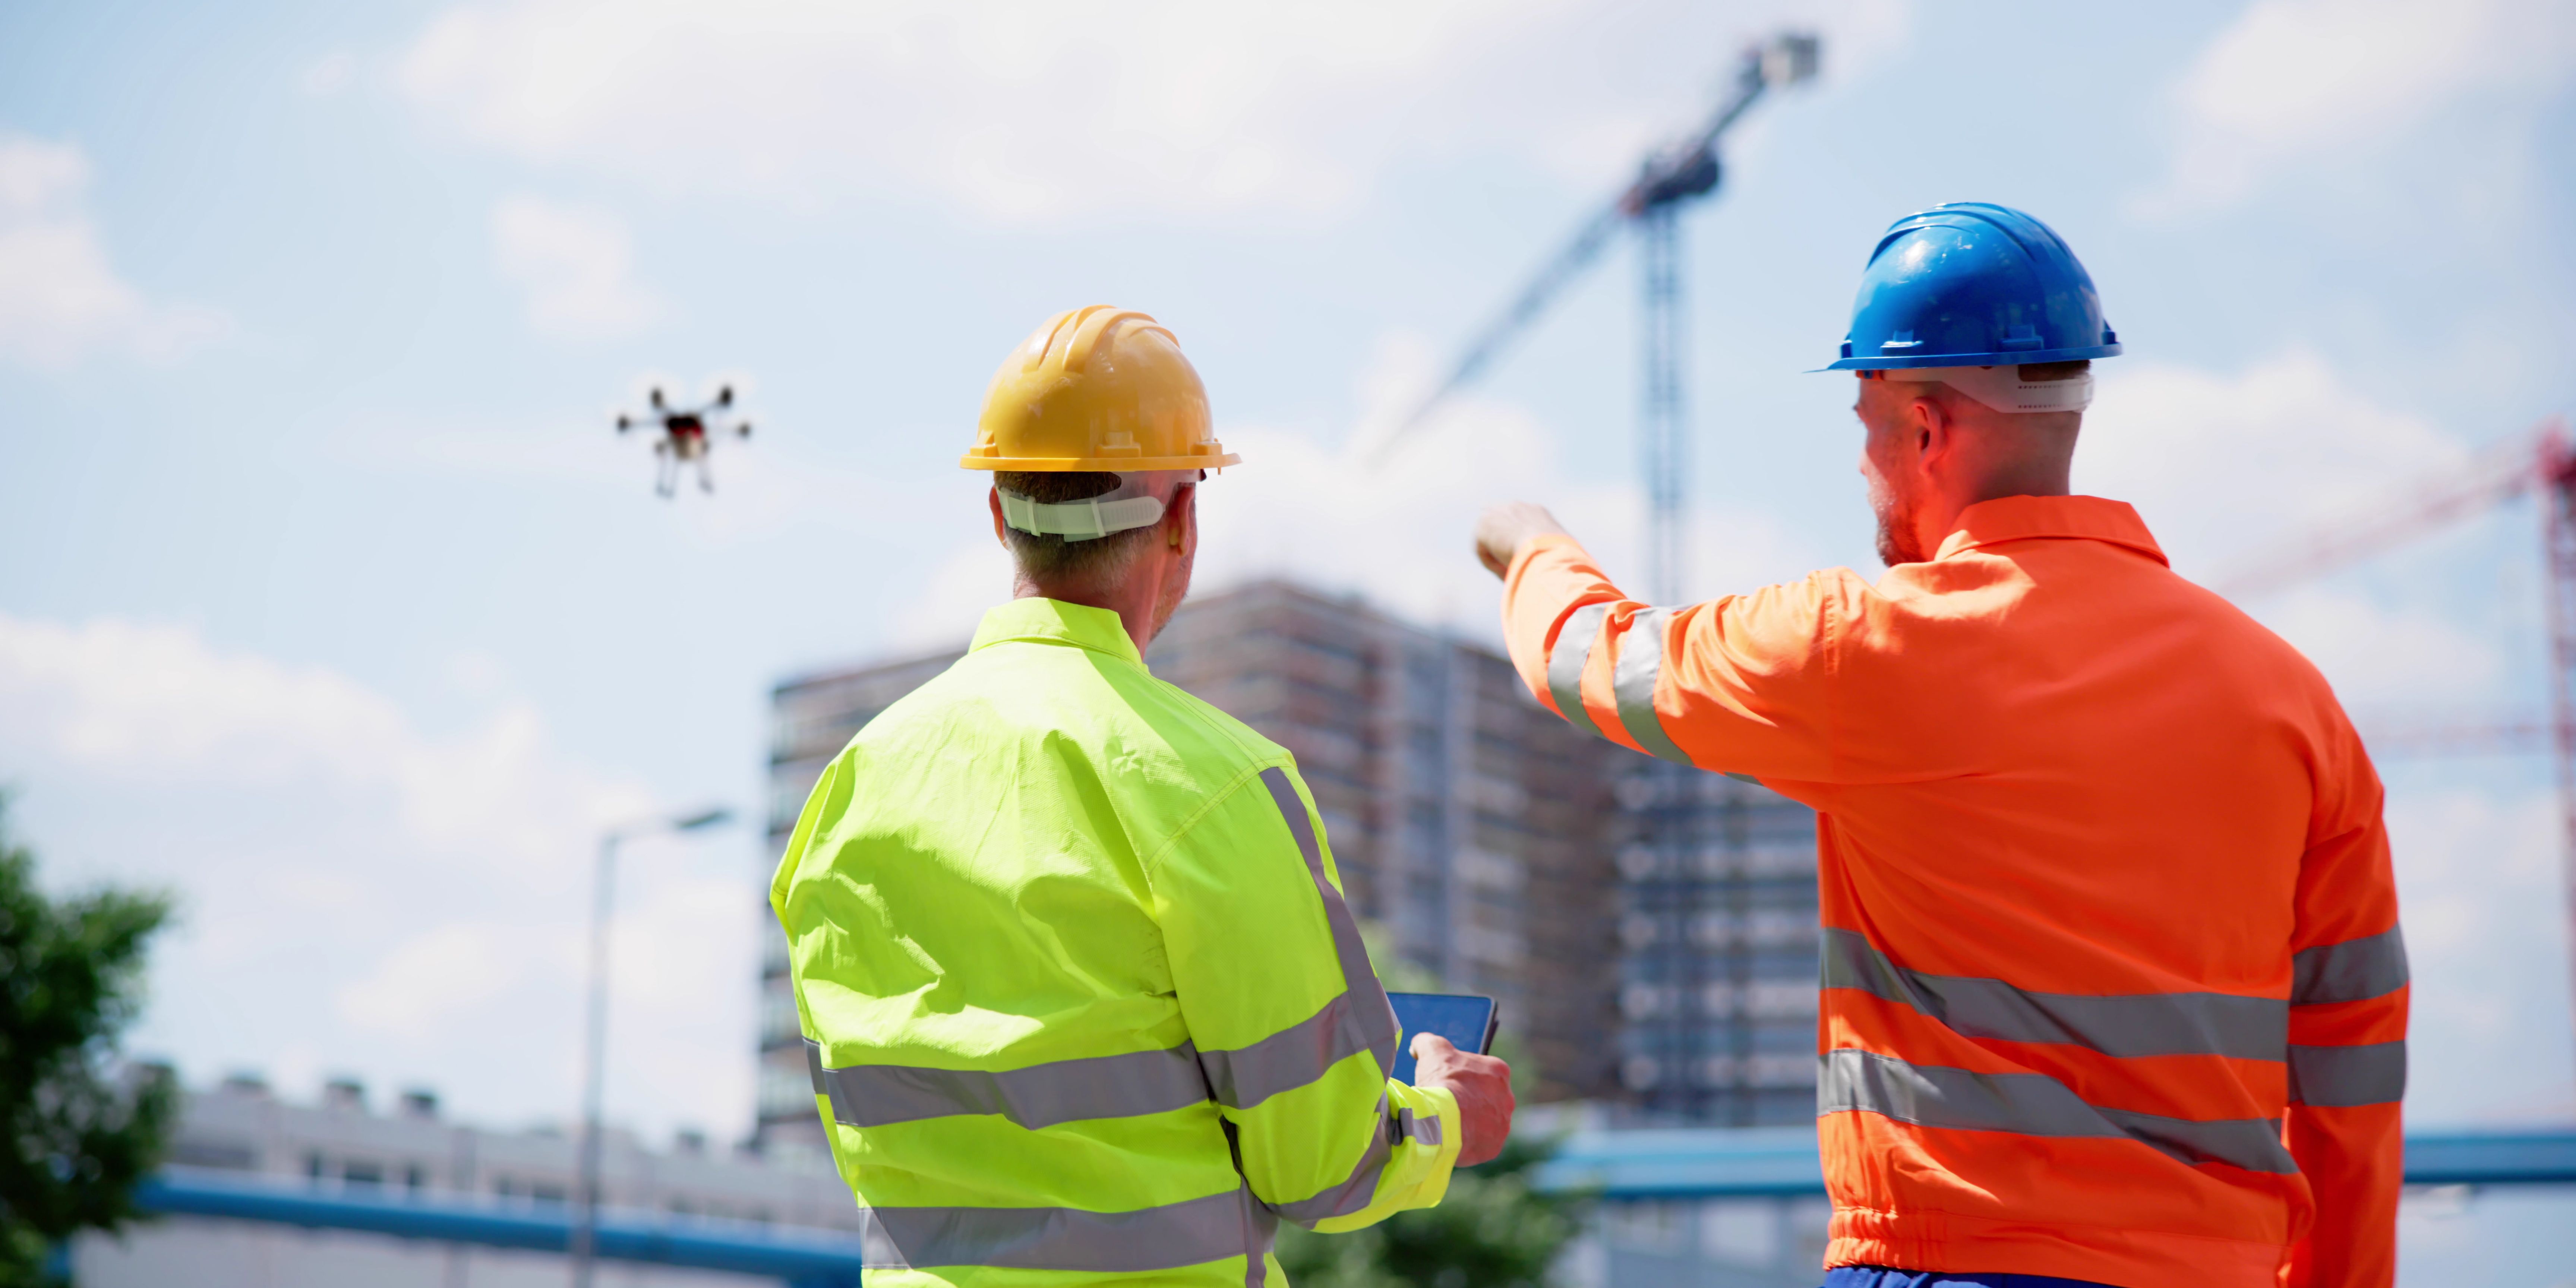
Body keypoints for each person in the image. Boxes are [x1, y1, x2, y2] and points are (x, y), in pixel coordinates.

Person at [1473, 204, 2404, 1288]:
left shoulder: (1864, 649)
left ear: (1926, 426)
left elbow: (1593, 663)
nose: (1863, 462)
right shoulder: (2294, 703)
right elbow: (2354, 1055)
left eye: (1865, 421)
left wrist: (1532, 545)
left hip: (1956, 1264)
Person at [773, 305, 1515, 1286]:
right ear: (1181, 519)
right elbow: (1327, 1163)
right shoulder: (1216, 784)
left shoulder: (854, 785)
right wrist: (1449, 1114)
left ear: (999, 513)